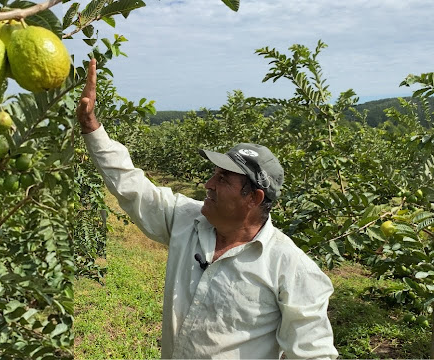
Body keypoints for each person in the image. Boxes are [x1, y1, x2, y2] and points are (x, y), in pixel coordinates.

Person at [76, 58, 339, 359]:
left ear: (253, 198)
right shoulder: (186, 219)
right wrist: (91, 127)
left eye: (223, 178)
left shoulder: (291, 269)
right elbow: (131, 183)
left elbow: (313, 352)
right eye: (214, 173)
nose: (208, 183)